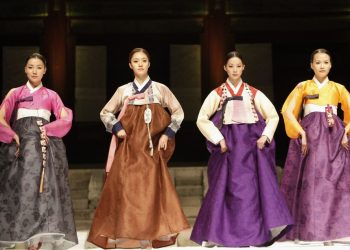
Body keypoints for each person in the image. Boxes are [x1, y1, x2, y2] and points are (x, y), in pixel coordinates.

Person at [87, 48, 190, 249]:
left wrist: (167, 134)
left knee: (150, 192)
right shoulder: (123, 90)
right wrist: (117, 128)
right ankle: (130, 235)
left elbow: (178, 113)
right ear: (130, 65)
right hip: (128, 149)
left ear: (149, 64)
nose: (140, 64)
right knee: (127, 191)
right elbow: (105, 112)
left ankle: (149, 235)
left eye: (144, 60)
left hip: (151, 150)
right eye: (136, 61)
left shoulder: (161, 89)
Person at [190, 51, 293, 247]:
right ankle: (220, 234)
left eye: (238, 66)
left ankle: (254, 235)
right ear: (225, 68)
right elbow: (201, 118)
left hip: (250, 146)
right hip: (228, 146)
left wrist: (265, 136)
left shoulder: (253, 93)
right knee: (224, 188)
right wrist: (218, 138)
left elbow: (273, 116)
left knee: (251, 190)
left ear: (243, 67)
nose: (235, 70)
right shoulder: (218, 93)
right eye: (231, 66)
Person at [0, 53, 77, 250]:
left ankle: (38, 240)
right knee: (22, 191)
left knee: (44, 191)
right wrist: (11, 134)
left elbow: (65, 117)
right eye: (31, 67)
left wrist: (48, 129)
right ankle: (21, 237)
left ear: (45, 70)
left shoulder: (51, 95)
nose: (35, 70)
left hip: (44, 148)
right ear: (25, 69)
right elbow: (1, 117)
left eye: (39, 67)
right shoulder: (15, 93)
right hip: (21, 149)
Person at [280, 48, 350, 245]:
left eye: (326, 62)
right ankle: (310, 231)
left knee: (336, 180)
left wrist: (346, 132)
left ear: (331, 65)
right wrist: (300, 132)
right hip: (311, 136)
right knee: (312, 180)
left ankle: (336, 231)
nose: (322, 66)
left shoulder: (338, 88)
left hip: (334, 137)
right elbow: (287, 110)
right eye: (318, 62)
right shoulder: (303, 86)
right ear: (311, 65)